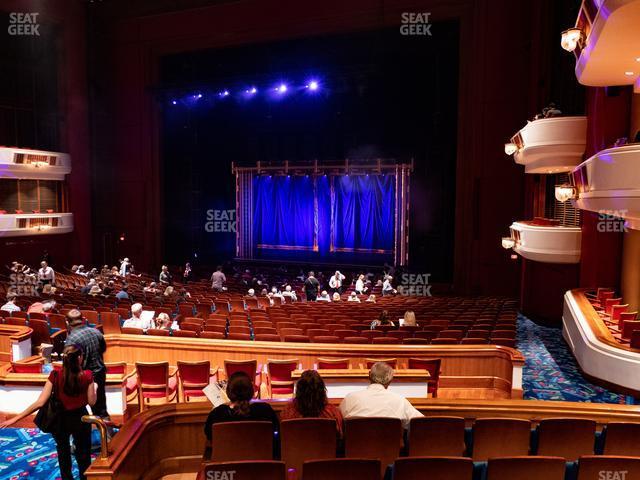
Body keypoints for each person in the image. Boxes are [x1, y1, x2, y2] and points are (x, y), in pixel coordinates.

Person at [0, 345, 97, 480]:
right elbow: (92, 402)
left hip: (60, 419)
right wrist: (95, 388)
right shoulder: (87, 375)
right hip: (80, 418)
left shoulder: (55, 375)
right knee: (83, 454)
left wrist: (15, 418)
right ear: (79, 358)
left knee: (63, 451)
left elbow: (40, 402)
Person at [339, 362, 422, 429]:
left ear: (369, 376)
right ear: (390, 381)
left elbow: (338, 422)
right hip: (390, 449)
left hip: (355, 448)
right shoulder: (400, 401)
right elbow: (421, 423)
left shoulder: (350, 398)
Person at [204, 372, 279, 442]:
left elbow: (209, 436)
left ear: (228, 392)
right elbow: (276, 432)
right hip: (262, 455)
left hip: (226, 456)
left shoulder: (217, 413)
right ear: (252, 391)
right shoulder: (265, 410)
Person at [65, 310, 108, 419]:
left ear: (67, 322)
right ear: (83, 319)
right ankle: (107, 435)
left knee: (78, 410)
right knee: (101, 409)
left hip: (81, 377)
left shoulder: (71, 339)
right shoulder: (96, 332)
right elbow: (103, 349)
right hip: (99, 374)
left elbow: (69, 363)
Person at [281, 370, 343, 436]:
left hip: (296, 446)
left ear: (299, 391)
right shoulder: (332, 413)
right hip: (326, 446)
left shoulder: (287, 412)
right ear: (322, 391)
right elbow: (340, 437)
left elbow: (283, 438)